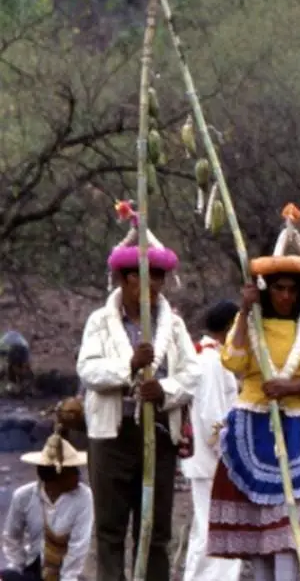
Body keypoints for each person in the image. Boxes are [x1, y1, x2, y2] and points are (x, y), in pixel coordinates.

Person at [208, 204, 300, 580]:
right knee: (259, 527)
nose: (285, 296)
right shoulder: (249, 323)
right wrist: (246, 311)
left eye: (291, 290)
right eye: (278, 288)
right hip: (251, 423)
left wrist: (289, 387)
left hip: (296, 428)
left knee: (288, 524)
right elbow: (232, 362)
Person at [75, 203, 199, 581]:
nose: (154, 286)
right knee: (110, 529)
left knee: (155, 529)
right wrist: (128, 366)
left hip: (158, 433)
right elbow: (88, 369)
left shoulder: (173, 326)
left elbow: (192, 374)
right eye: (145, 277)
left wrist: (162, 389)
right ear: (125, 279)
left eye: (159, 278)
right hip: (111, 435)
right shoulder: (99, 322)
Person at [181, 300, 243, 581]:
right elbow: (212, 418)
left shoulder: (212, 360)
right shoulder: (212, 363)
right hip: (213, 462)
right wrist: (231, 456)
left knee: (206, 531)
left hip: (208, 461)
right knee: (220, 533)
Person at [1, 432, 93, 581]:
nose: (78, 475)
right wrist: (20, 566)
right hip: (34, 568)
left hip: (65, 573)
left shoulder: (84, 496)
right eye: (73, 471)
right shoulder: (23, 496)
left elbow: (78, 546)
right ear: (57, 476)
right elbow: (11, 537)